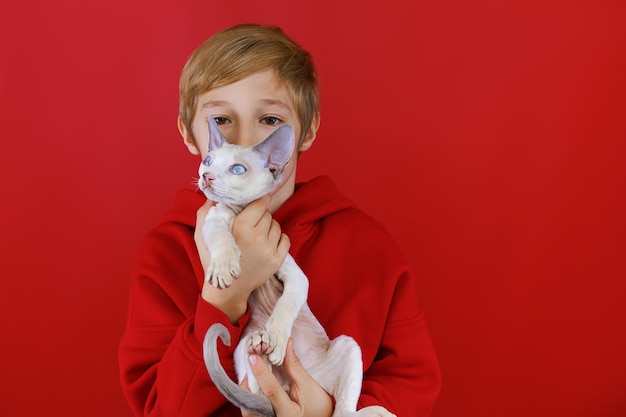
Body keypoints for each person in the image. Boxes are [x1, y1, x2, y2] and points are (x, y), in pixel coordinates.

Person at [118, 23, 441, 417]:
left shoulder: (367, 245)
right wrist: (224, 300)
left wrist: (326, 410)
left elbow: (412, 383)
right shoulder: (165, 253)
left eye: (269, 120)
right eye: (221, 120)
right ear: (189, 133)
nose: (244, 143)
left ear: (306, 132)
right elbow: (160, 408)